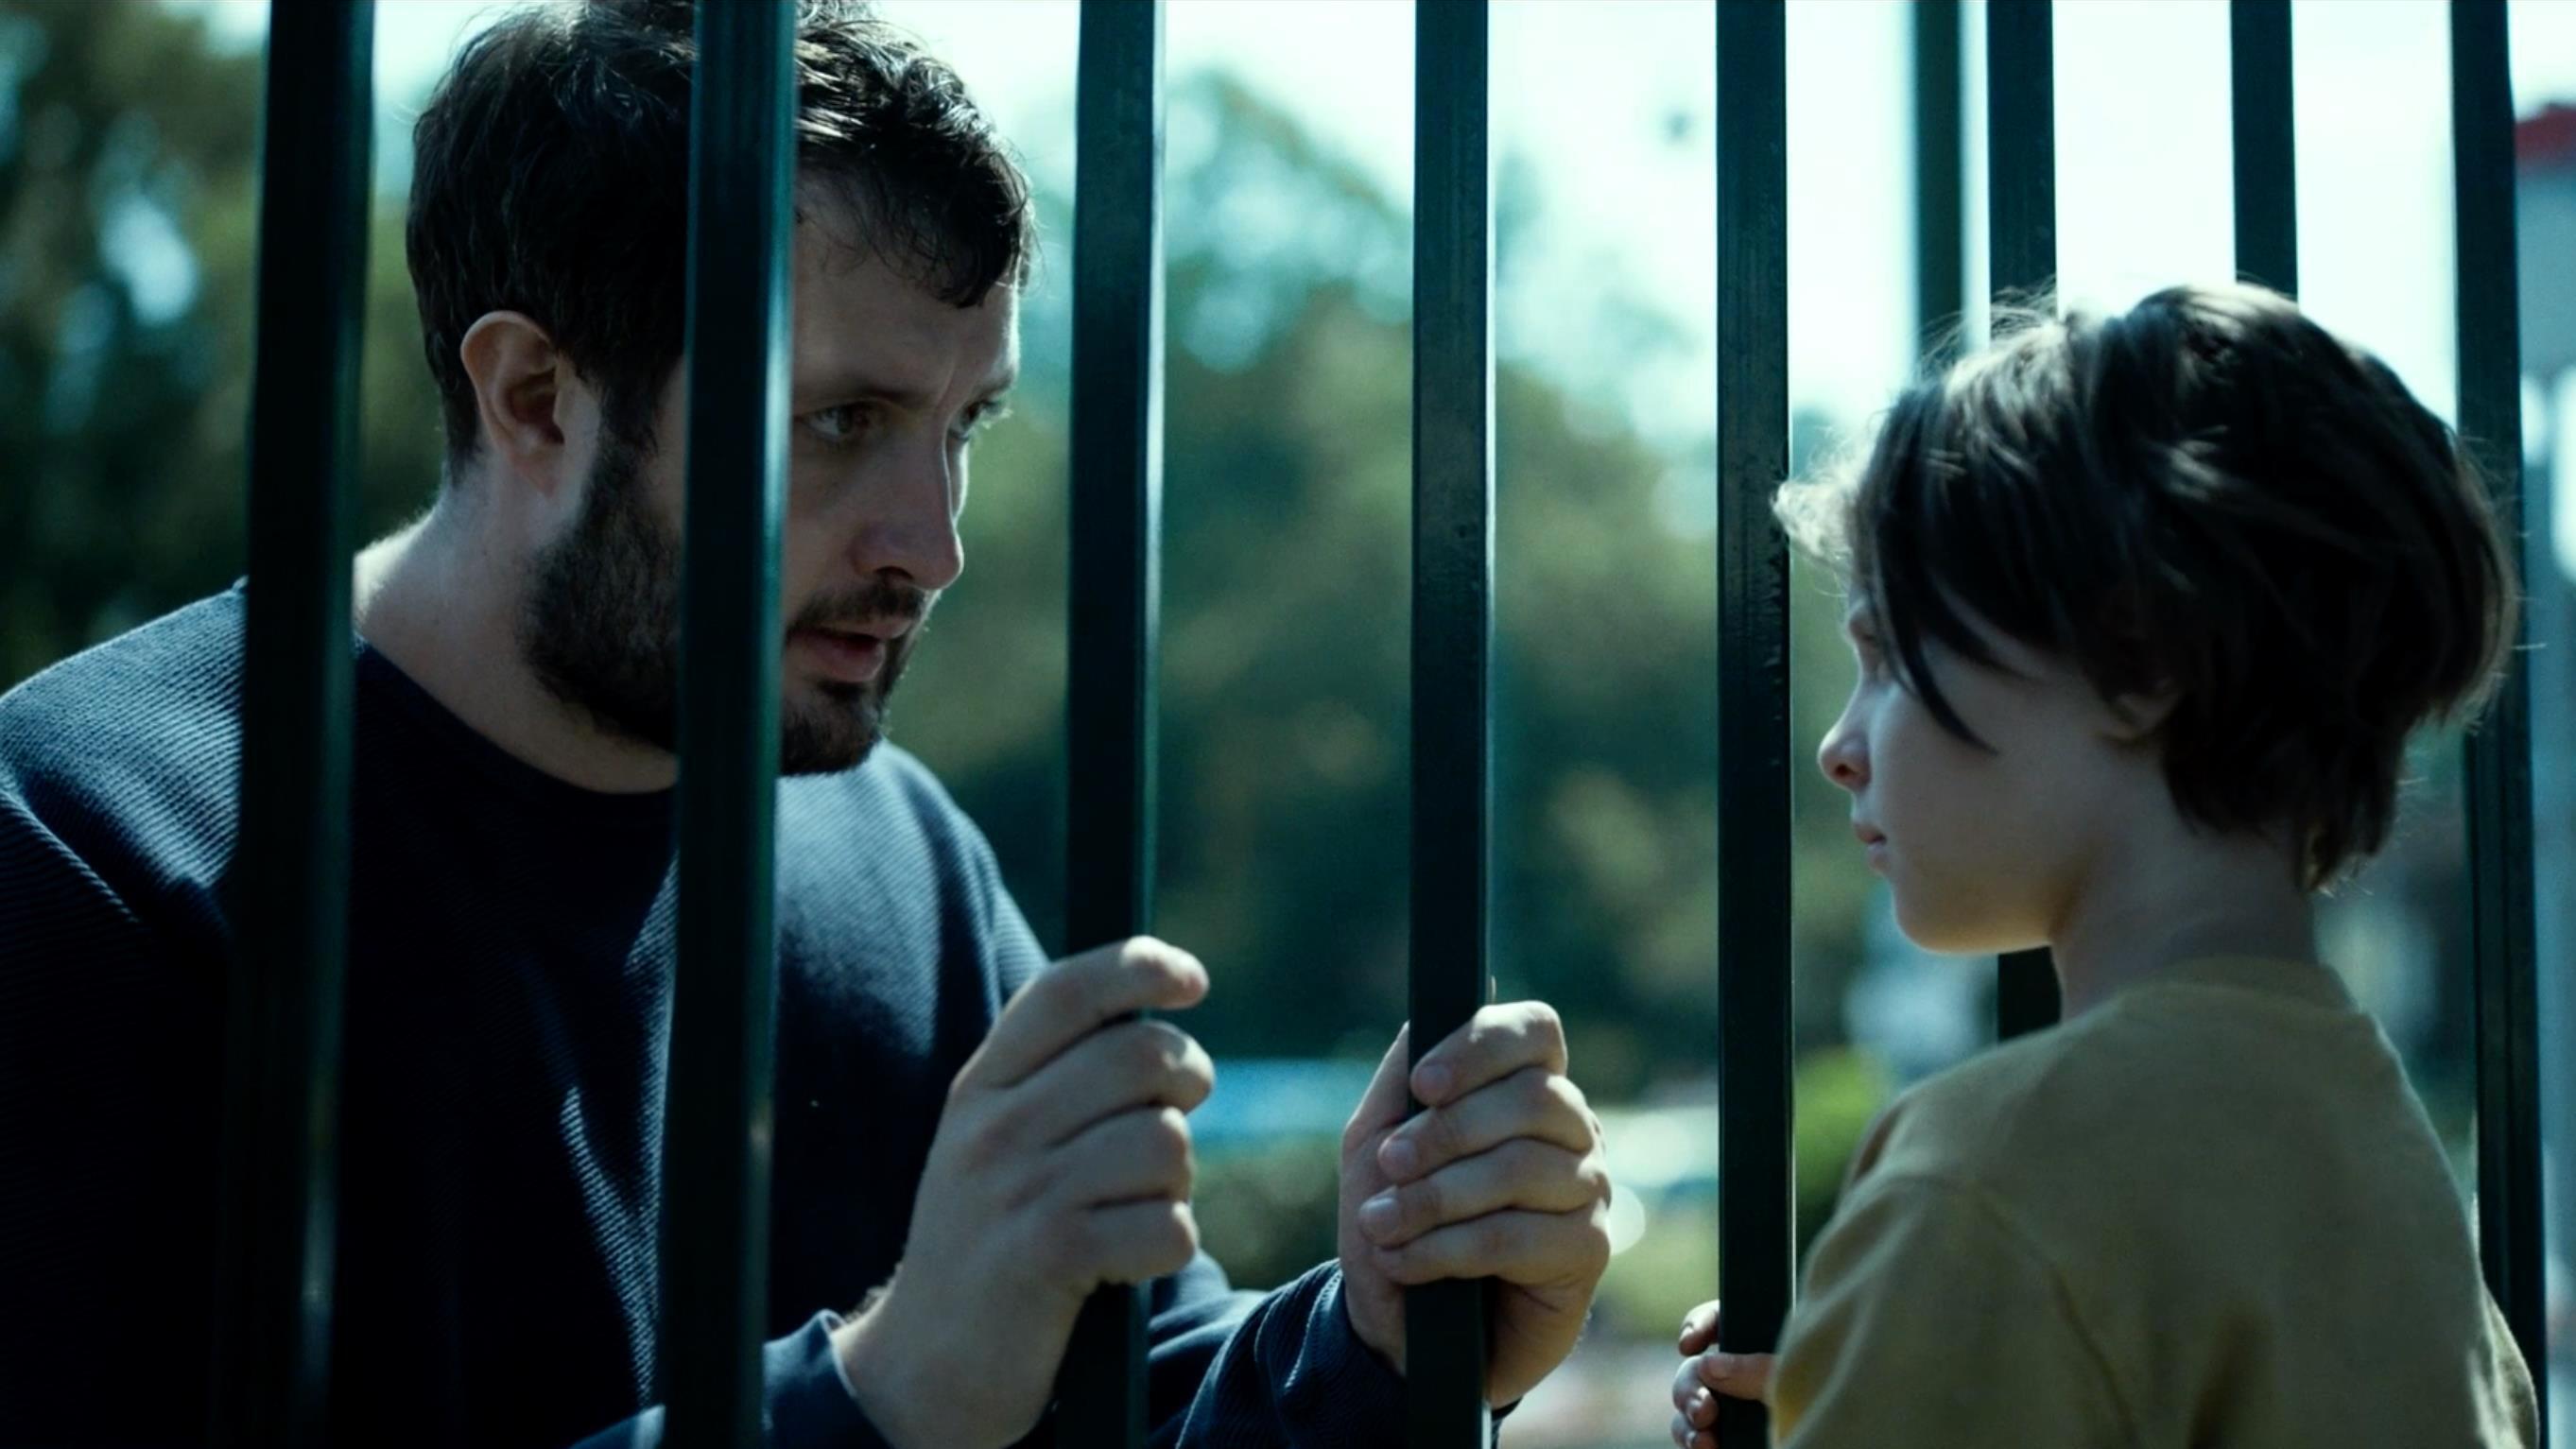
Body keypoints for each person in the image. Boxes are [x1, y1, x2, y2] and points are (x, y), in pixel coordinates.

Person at [0, 2, 1614, 1443]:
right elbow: (939, 1376)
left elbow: (1125, 1396)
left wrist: (1384, 1341)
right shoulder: (97, 851)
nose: (934, 543)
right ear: (536, 398)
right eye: (843, 421)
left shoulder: (892, 852)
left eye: (963, 424)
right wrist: (877, 1400)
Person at [1668, 284, 2539, 1447]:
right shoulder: (2391, 1168)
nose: (1838, 746)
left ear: (2138, 664)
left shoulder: (1988, 1178)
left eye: (1886, 654)